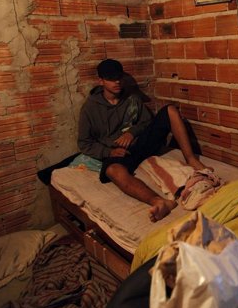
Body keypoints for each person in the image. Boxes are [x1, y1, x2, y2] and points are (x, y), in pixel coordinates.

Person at [77, 59, 209, 222]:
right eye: (111, 78)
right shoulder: (90, 108)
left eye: (119, 77)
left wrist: (132, 133)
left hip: (140, 142)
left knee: (170, 110)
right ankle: (160, 202)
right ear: (101, 81)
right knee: (113, 171)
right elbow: (84, 143)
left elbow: (146, 121)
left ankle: (191, 159)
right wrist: (109, 152)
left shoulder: (131, 98)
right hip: (120, 152)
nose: (117, 81)